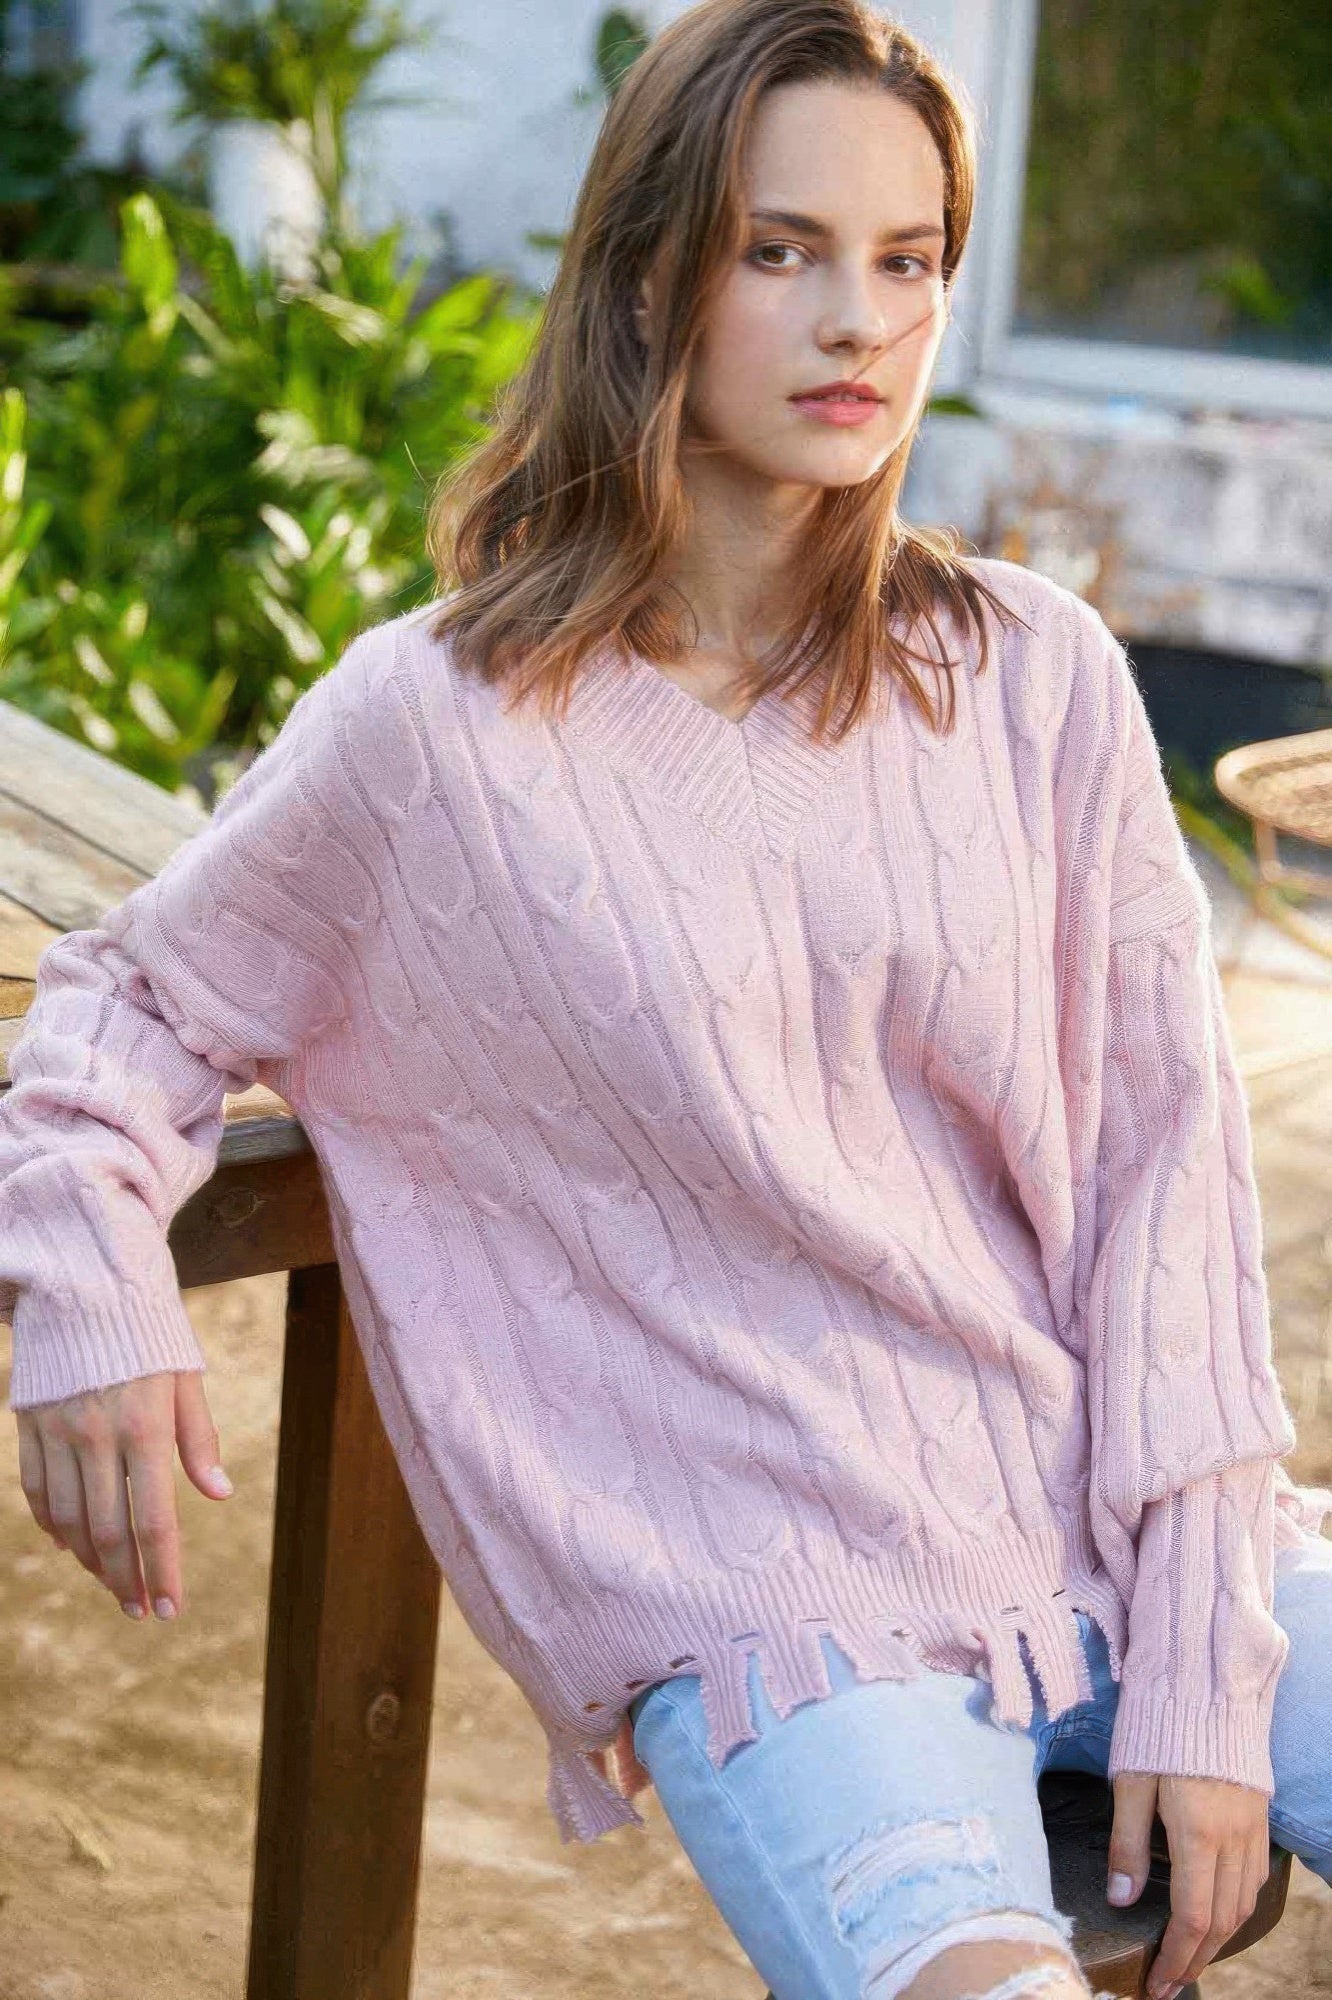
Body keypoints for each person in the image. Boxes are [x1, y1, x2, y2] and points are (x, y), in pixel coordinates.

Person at [3, 4, 1330, 1998]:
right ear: (651, 274)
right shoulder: (437, 732)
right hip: (783, 1620)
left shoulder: (1033, 676)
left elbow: (1169, 1187)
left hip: (1127, 1523)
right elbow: (121, 1006)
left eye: (908, 261)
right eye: (780, 250)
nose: (858, 324)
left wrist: (1214, 1673)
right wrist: (84, 1281)